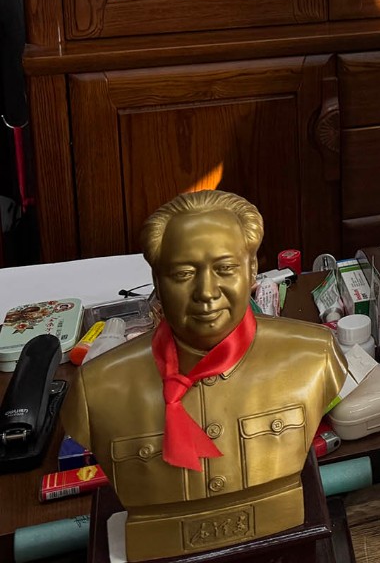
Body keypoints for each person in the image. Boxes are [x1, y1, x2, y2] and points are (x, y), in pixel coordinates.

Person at [64, 190, 348, 561]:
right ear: (157, 280)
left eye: (225, 269)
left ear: (251, 271)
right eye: (183, 274)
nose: (206, 293)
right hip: (154, 538)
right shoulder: (98, 387)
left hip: (283, 522)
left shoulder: (314, 355)